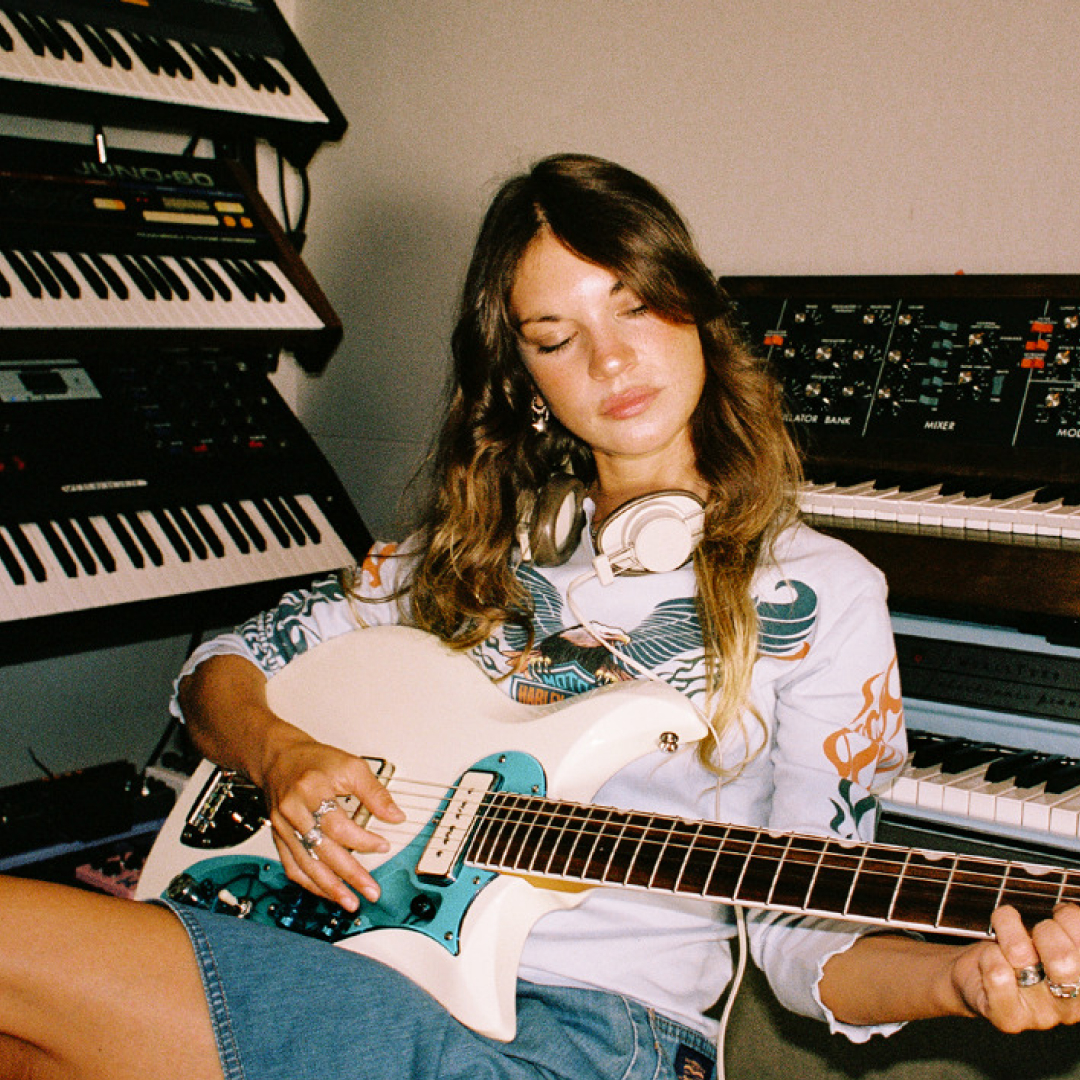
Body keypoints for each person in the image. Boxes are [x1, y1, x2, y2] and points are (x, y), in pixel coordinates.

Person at [2, 153, 1079, 1080]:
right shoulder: (460, 556)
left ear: (696, 311)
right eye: (556, 337)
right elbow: (221, 666)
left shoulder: (821, 594)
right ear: (522, 381)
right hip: (351, 954)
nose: (611, 362)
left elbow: (801, 943)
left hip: (588, 1033)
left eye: (635, 306)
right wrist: (282, 758)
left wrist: (962, 978)